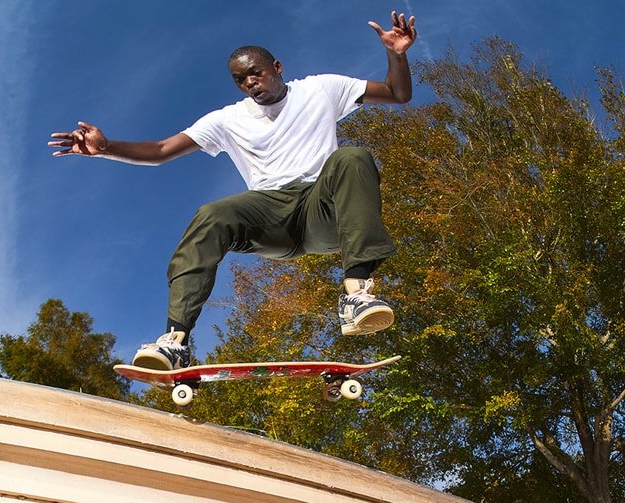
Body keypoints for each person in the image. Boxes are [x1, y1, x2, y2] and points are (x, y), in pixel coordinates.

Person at [49, 11, 417, 371]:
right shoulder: (226, 119)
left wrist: (396, 53)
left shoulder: (322, 88)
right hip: (271, 216)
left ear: (277, 66)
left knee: (352, 158)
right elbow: (161, 151)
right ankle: (175, 342)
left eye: (256, 73)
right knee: (212, 214)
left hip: (324, 208)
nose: (251, 83)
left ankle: (356, 295)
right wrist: (106, 147)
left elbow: (397, 94)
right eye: (241, 80)